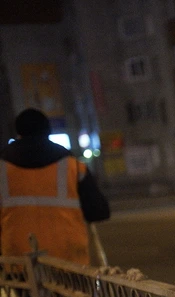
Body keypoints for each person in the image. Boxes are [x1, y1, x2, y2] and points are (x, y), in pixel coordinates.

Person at [0, 108, 110, 264]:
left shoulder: (3, 168)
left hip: (20, 264)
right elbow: (99, 212)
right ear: (48, 131)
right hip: (69, 263)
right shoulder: (73, 166)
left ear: (18, 133)